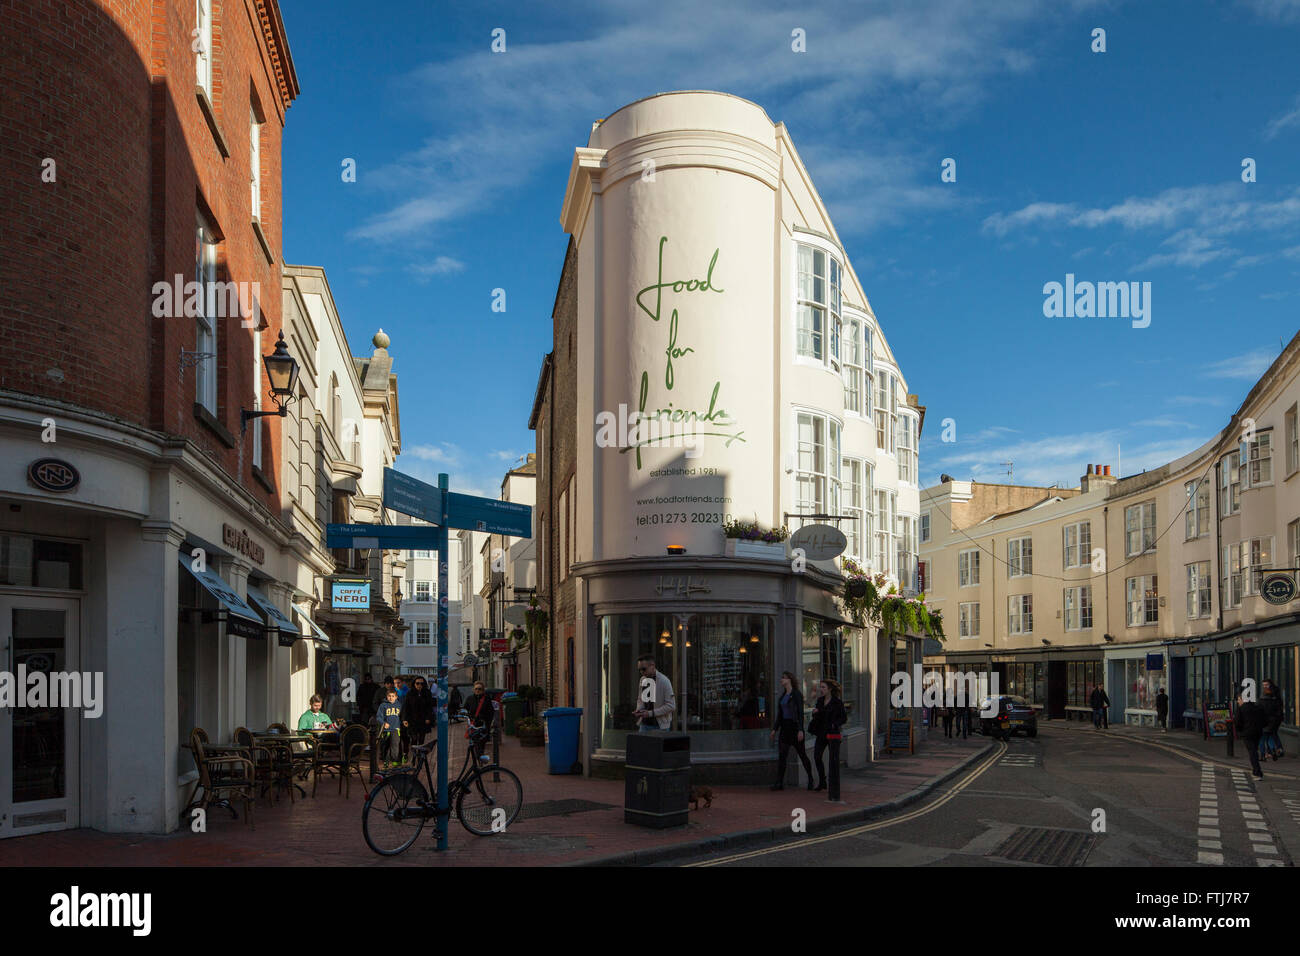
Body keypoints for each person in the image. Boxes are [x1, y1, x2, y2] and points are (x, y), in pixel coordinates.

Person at [770, 671, 815, 791]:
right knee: (782, 756)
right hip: (785, 728)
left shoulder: (796, 694)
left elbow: (800, 713)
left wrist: (800, 729)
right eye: (781, 678)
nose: (781, 680)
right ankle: (779, 783)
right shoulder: (783, 696)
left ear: (789, 680)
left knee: (802, 754)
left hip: (794, 727)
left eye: (783, 678)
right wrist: (775, 729)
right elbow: (780, 715)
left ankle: (811, 779)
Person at [809, 679, 847, 800]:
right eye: (820, 687)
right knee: (817, 756)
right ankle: (822, 781)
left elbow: (843, 718)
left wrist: (835, 724)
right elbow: (818, 716)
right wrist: (815, 712)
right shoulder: (820, 701)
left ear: (830, 689)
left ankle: (833, 785)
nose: (821, 689)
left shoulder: (837, 702)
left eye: (823, 687)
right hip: (821, 733)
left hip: (832, 734)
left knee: (833, 760)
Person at [632, 655, 676, 732]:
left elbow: (671, 706)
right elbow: (640, 699)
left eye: (644, 669)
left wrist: (650, 713)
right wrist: (639, 710)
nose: (641, 672)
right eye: (639, 670)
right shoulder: (643, 679)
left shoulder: (664, 681)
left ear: (652, 666)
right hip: (644, 724)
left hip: (660, 726)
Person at [1236, 693, 1264, 778]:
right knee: (1254, 750)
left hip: (1247, 733)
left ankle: (1257, 771)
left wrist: (1240, 731)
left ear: (1243, 699)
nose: (1238, 701)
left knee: (1252, 752)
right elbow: (1264, 720)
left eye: (1239, 699)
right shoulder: (1258, 708)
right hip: (1258, 732)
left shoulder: (1241, 709)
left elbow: (1237, 722)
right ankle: (1256, 770)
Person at [402, 676, 436, 748]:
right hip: (412, 719)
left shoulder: (427, 693)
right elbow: (406, 707)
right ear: (414, 684)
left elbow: (429, 707)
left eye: (422, 683)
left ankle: (420, 756)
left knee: (421, 739)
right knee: (414, 739)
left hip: (423, 720)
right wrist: (405, 719)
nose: (419, 685)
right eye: (417, 683)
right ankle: (414, 755)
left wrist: (428, 717)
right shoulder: (410, 693)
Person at [377, 688, 403, 768]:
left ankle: (395, 761)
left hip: (395, 729)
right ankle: (386, 761)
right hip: (386, 729)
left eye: (393, 696)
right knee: (385, 746)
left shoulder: (399, 705)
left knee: (395, 745)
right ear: (386, 696)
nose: (391, 698)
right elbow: (378, 717)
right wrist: (383, 723)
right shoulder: (383, 705)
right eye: (389, 696)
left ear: (396, 697)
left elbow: (402, 716)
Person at [1259, 679, 1285, 761]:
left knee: (1262, 738)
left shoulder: (1263, 700)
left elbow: (1260, 710)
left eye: (1266, 685)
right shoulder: (1275, 698)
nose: (1264, 686)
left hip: (1266, 721)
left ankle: (1263, 755)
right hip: (1274, 720)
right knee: (1271, 735)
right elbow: (1279, 708)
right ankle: (1275, 750)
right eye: (1263, 685)